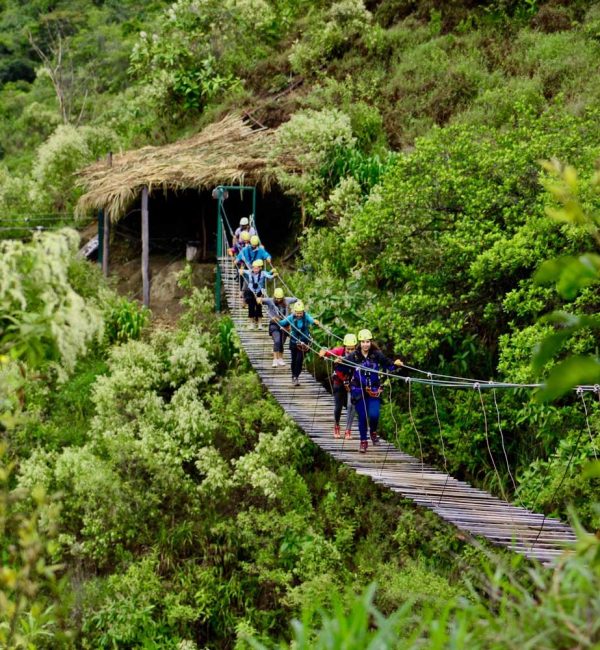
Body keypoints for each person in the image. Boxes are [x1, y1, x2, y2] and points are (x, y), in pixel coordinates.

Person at [341, 329, 402, 453]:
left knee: (374, 415)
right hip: (358, 390)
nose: (365, 344)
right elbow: (344, 366)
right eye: (363, 342)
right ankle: (363, 442)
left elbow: (388, 364)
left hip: (373, 390)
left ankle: (373, 432)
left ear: (371, 342)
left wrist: (396, 365)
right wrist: (337, 363)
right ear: (359, 343)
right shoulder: (354, 355)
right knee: (362, 417)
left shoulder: (376, 354)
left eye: (367, 341)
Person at [319, 333, 358, 439]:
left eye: (352, 349)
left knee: (351, 405)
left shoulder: (357, 356)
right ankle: (336, 425)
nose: (350, 351)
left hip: (352, 382)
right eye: (348, 349)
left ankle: (348, 430)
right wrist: (323, 352)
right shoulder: (339, 351)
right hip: (339, 381)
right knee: (338, 407)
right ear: (344, 346)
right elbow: (330, 352)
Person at [278, 301, 320, 386]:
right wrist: (276, 320)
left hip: (304, 342)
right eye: (297, 313)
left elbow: (311, 320)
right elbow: (282, 322)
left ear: (303, 312)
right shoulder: (291, 317)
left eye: (300, 313)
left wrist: (315, 322)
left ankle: (296, 377)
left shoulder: (306, 317)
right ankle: (293, 376)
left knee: (299, 360)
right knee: (294, 360)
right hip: (294, 341)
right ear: (294, 312)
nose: (299, 315)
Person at [262, 287, 297, 367]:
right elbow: (261, 300)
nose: (278, 300)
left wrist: (299, 302)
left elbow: (295, 299)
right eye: (277, 298)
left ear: (283, 297)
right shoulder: (270, 301)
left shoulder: (287, 300)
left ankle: (280, 359)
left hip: (285, 324)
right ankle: (275, 360)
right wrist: (259, 299)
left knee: (281, 342)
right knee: (277, 341)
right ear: (274, 297)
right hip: (274, 324)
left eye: (280, 298)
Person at [239, 259, 276, 329]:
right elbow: (241, 271)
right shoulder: (250, 272)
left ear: (260, 268)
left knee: (259, 307)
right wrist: (241, 270)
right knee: (251, 307)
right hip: (251, 291)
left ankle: (260, 324)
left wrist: (273, 275)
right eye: (254, 268)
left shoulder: (263, 273)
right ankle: (251, 323)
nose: (255, 269)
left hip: (259, 292)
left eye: (257, 268)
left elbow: (269, 276)